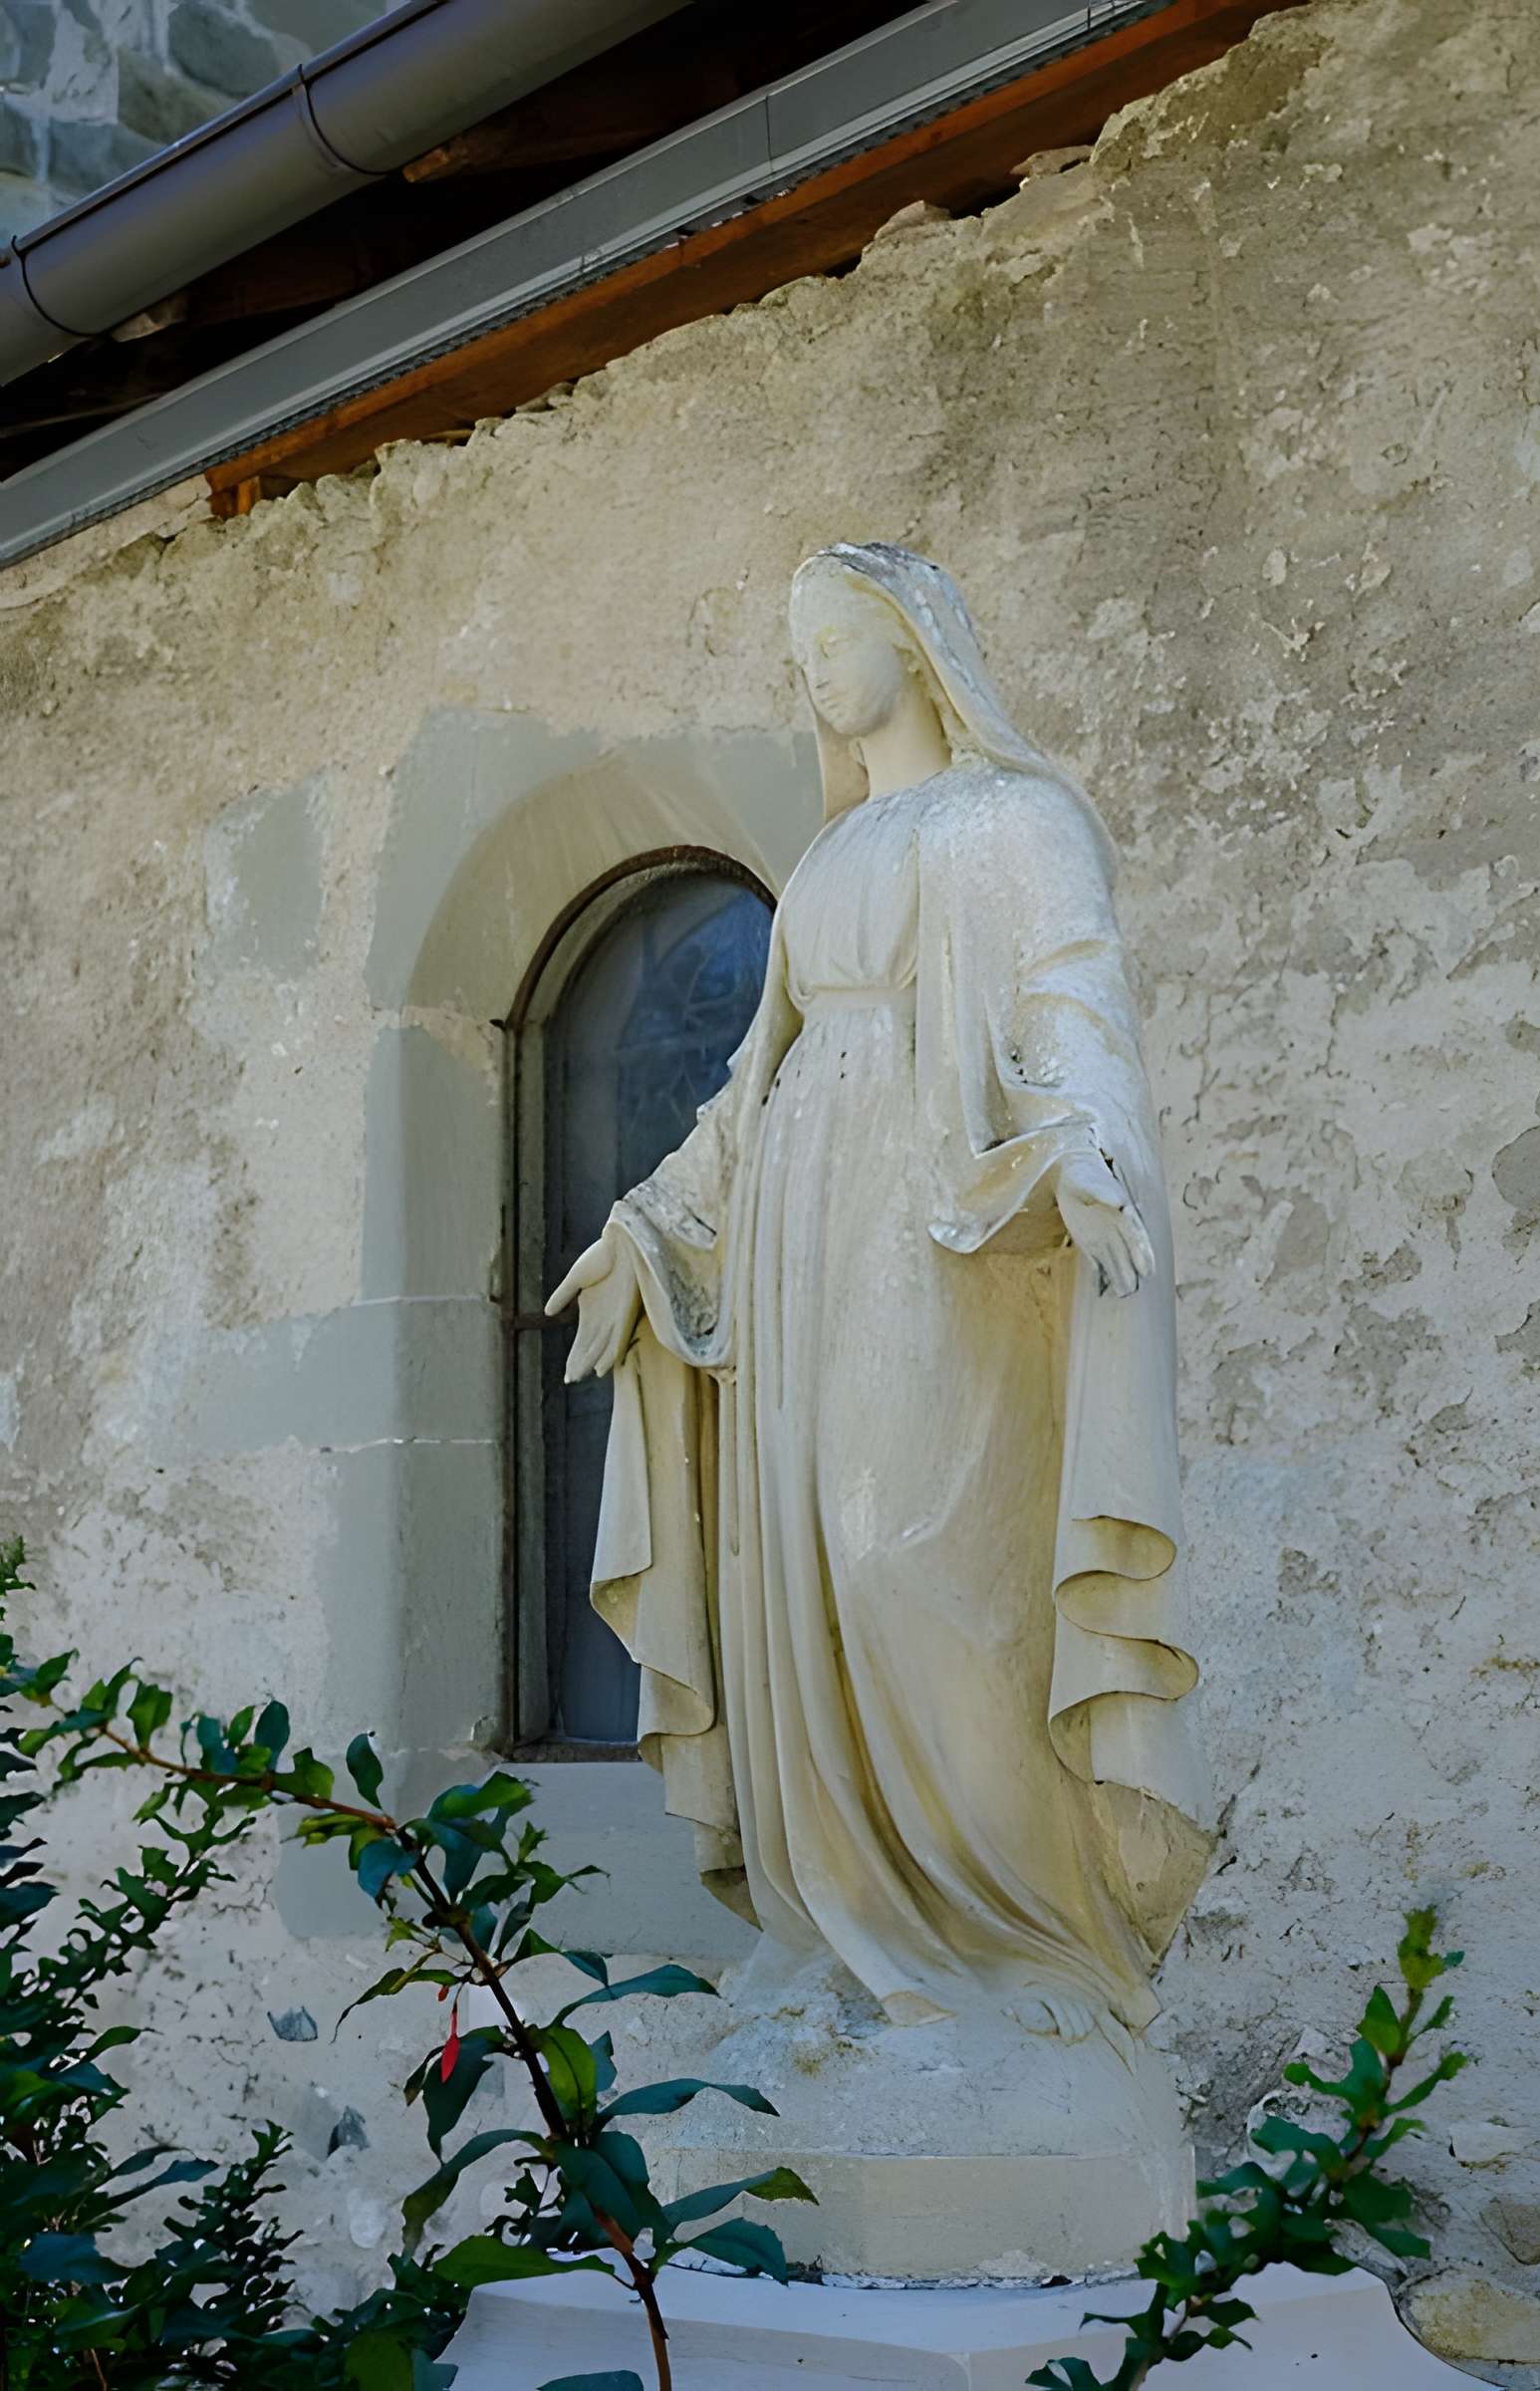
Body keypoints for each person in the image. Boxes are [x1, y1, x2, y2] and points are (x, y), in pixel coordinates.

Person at [548, 543, 1209, 2042]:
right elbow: (753, 1079)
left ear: (915, 641)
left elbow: (1071, 1001)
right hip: (803, 1223)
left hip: (940, 1223)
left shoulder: (1017, 820)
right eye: (800, 651)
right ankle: (847, 1932)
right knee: (812, 1577)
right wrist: (652, 1226)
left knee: (921, 1559)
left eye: (835, 636)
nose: (816, 671)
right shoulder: (831, 857)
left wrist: (1089, 1146)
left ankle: (1019, 1937)